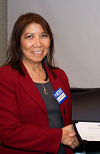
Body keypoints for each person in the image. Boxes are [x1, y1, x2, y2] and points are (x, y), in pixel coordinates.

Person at [0, 13, 80, 154]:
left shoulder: (59, 76)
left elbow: (68, 119)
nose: (38, 43)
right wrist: (59, 136)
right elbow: (8, 132)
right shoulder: (6, 76)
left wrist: (77, 136)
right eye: (29, 36)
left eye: (43, 35)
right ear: (18, 42)